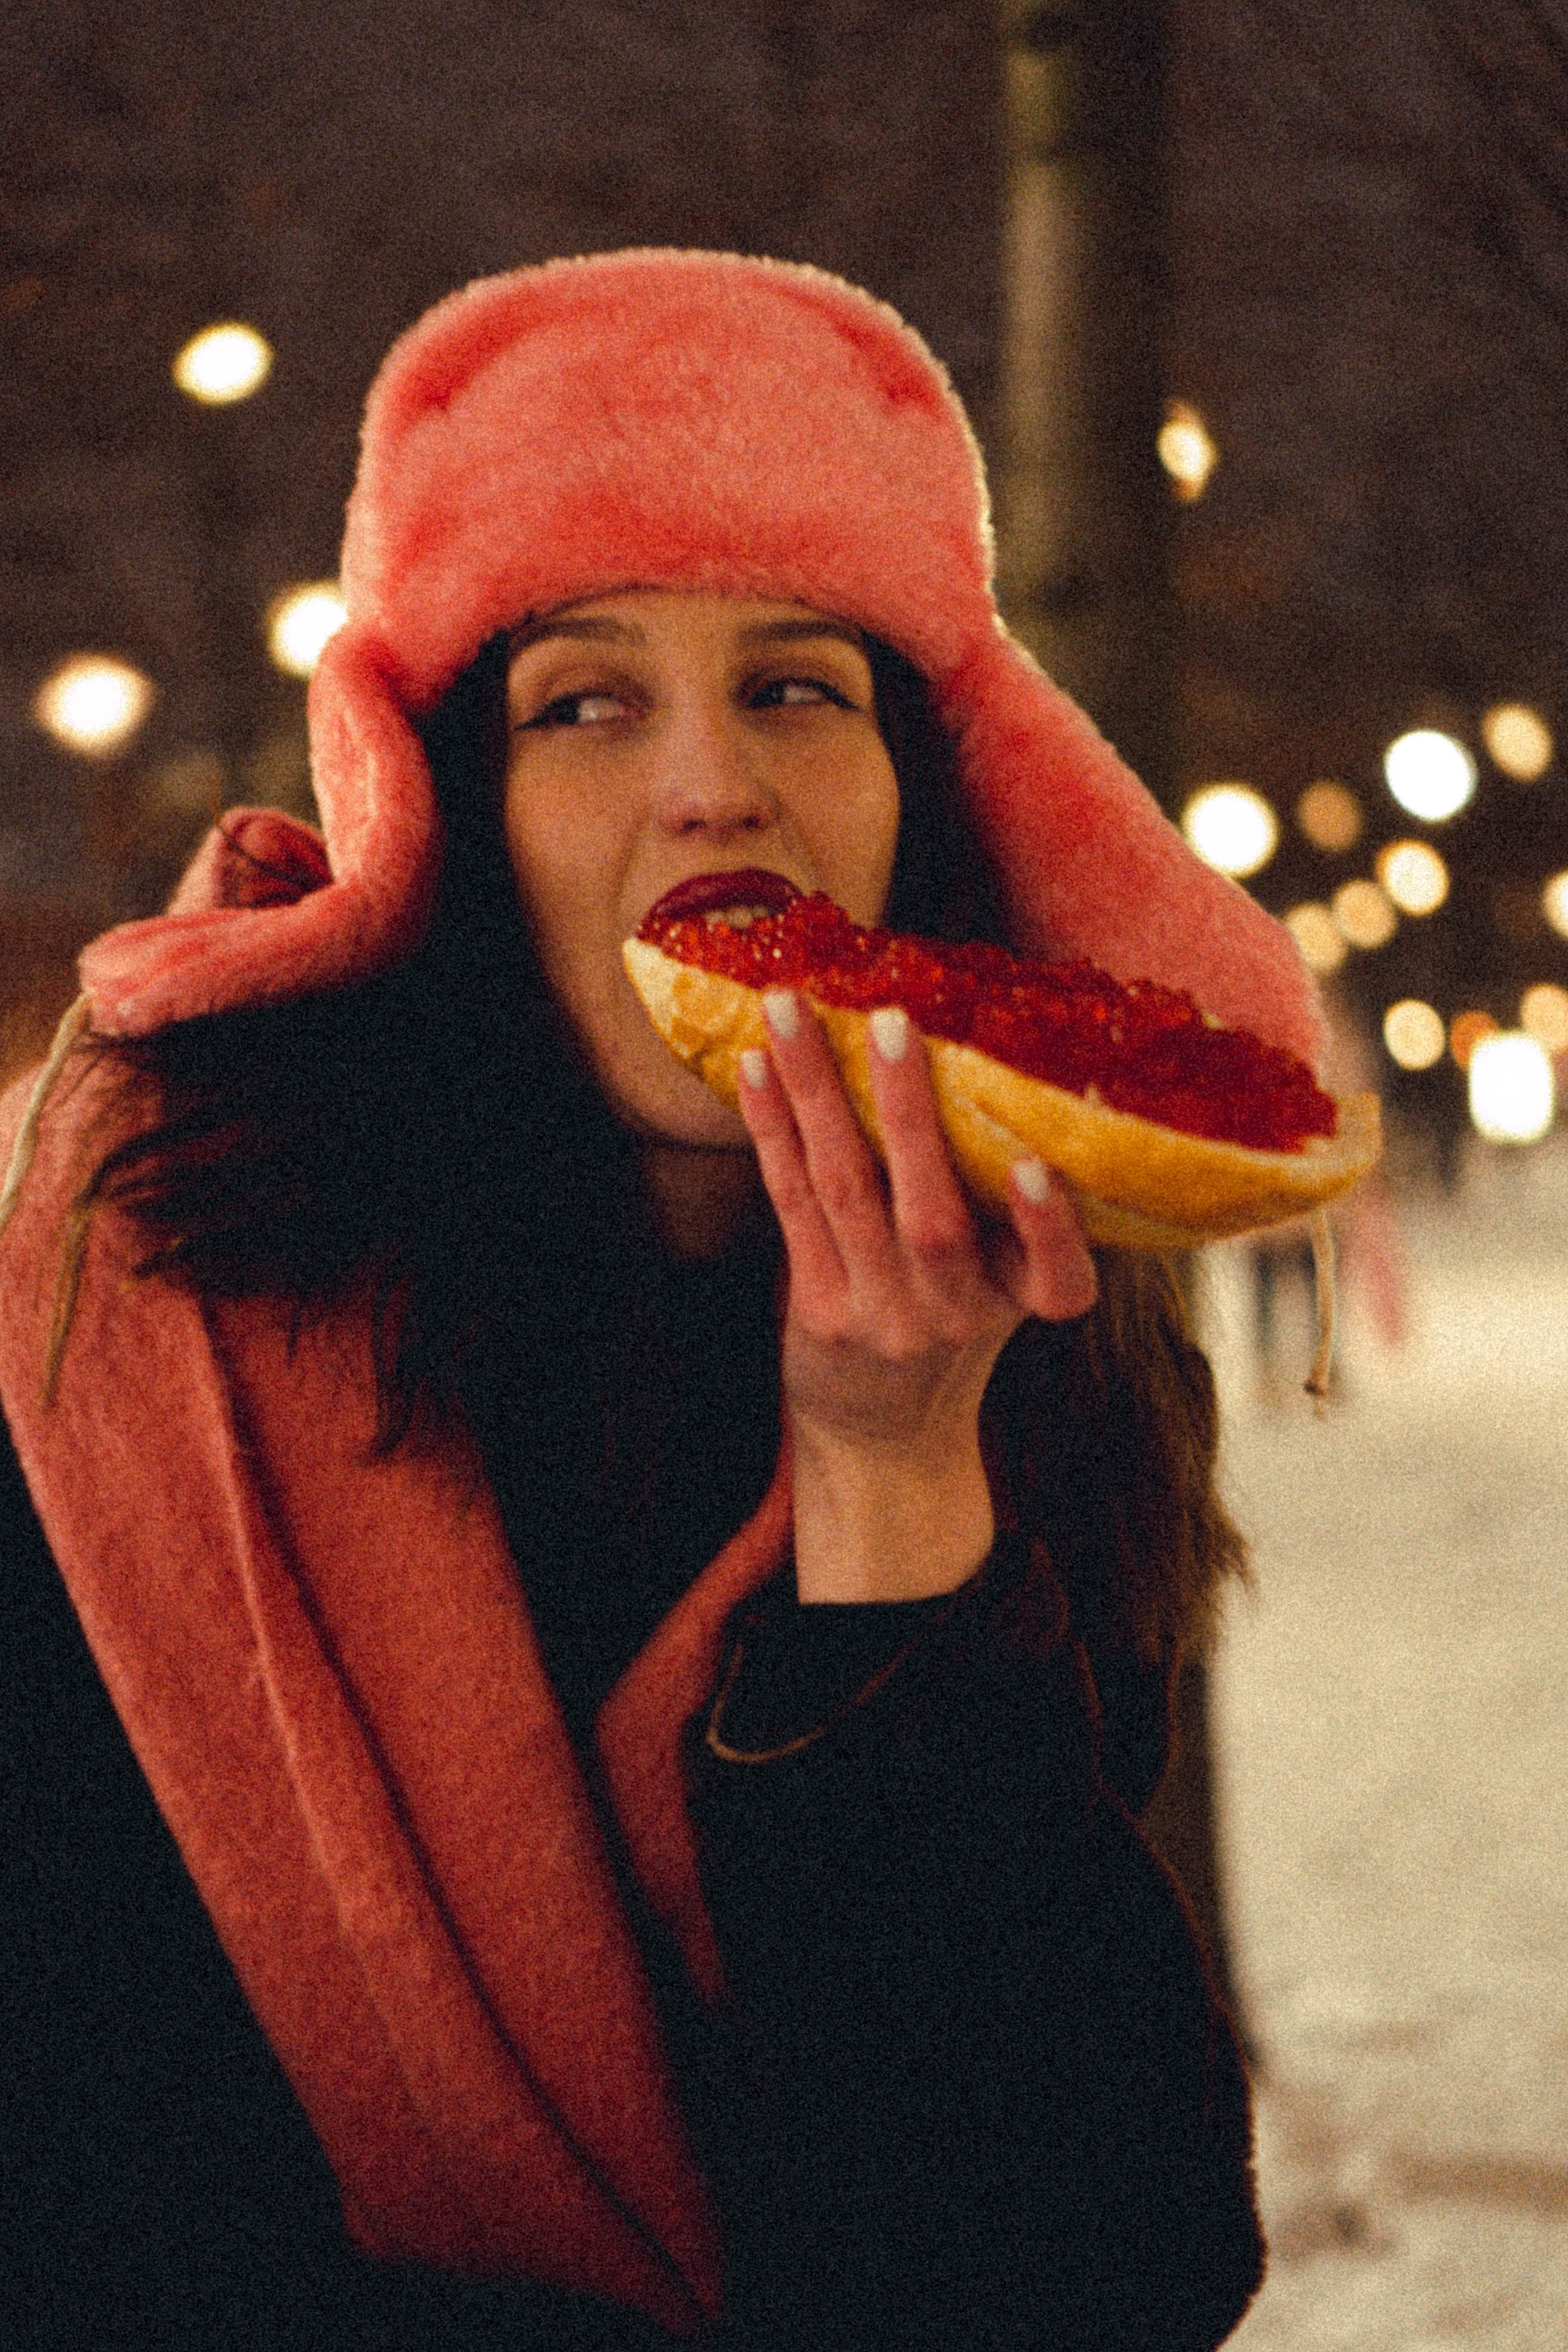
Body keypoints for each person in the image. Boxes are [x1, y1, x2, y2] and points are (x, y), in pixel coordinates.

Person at [0, 251, 1324, 2350]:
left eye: (800, 684)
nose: (714, 785)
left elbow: (1091, 2266)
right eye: (584, 702)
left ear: (926, 802)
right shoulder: (146, 1309)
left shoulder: (1040, 1333)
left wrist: (893, 1490)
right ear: (442, 809)